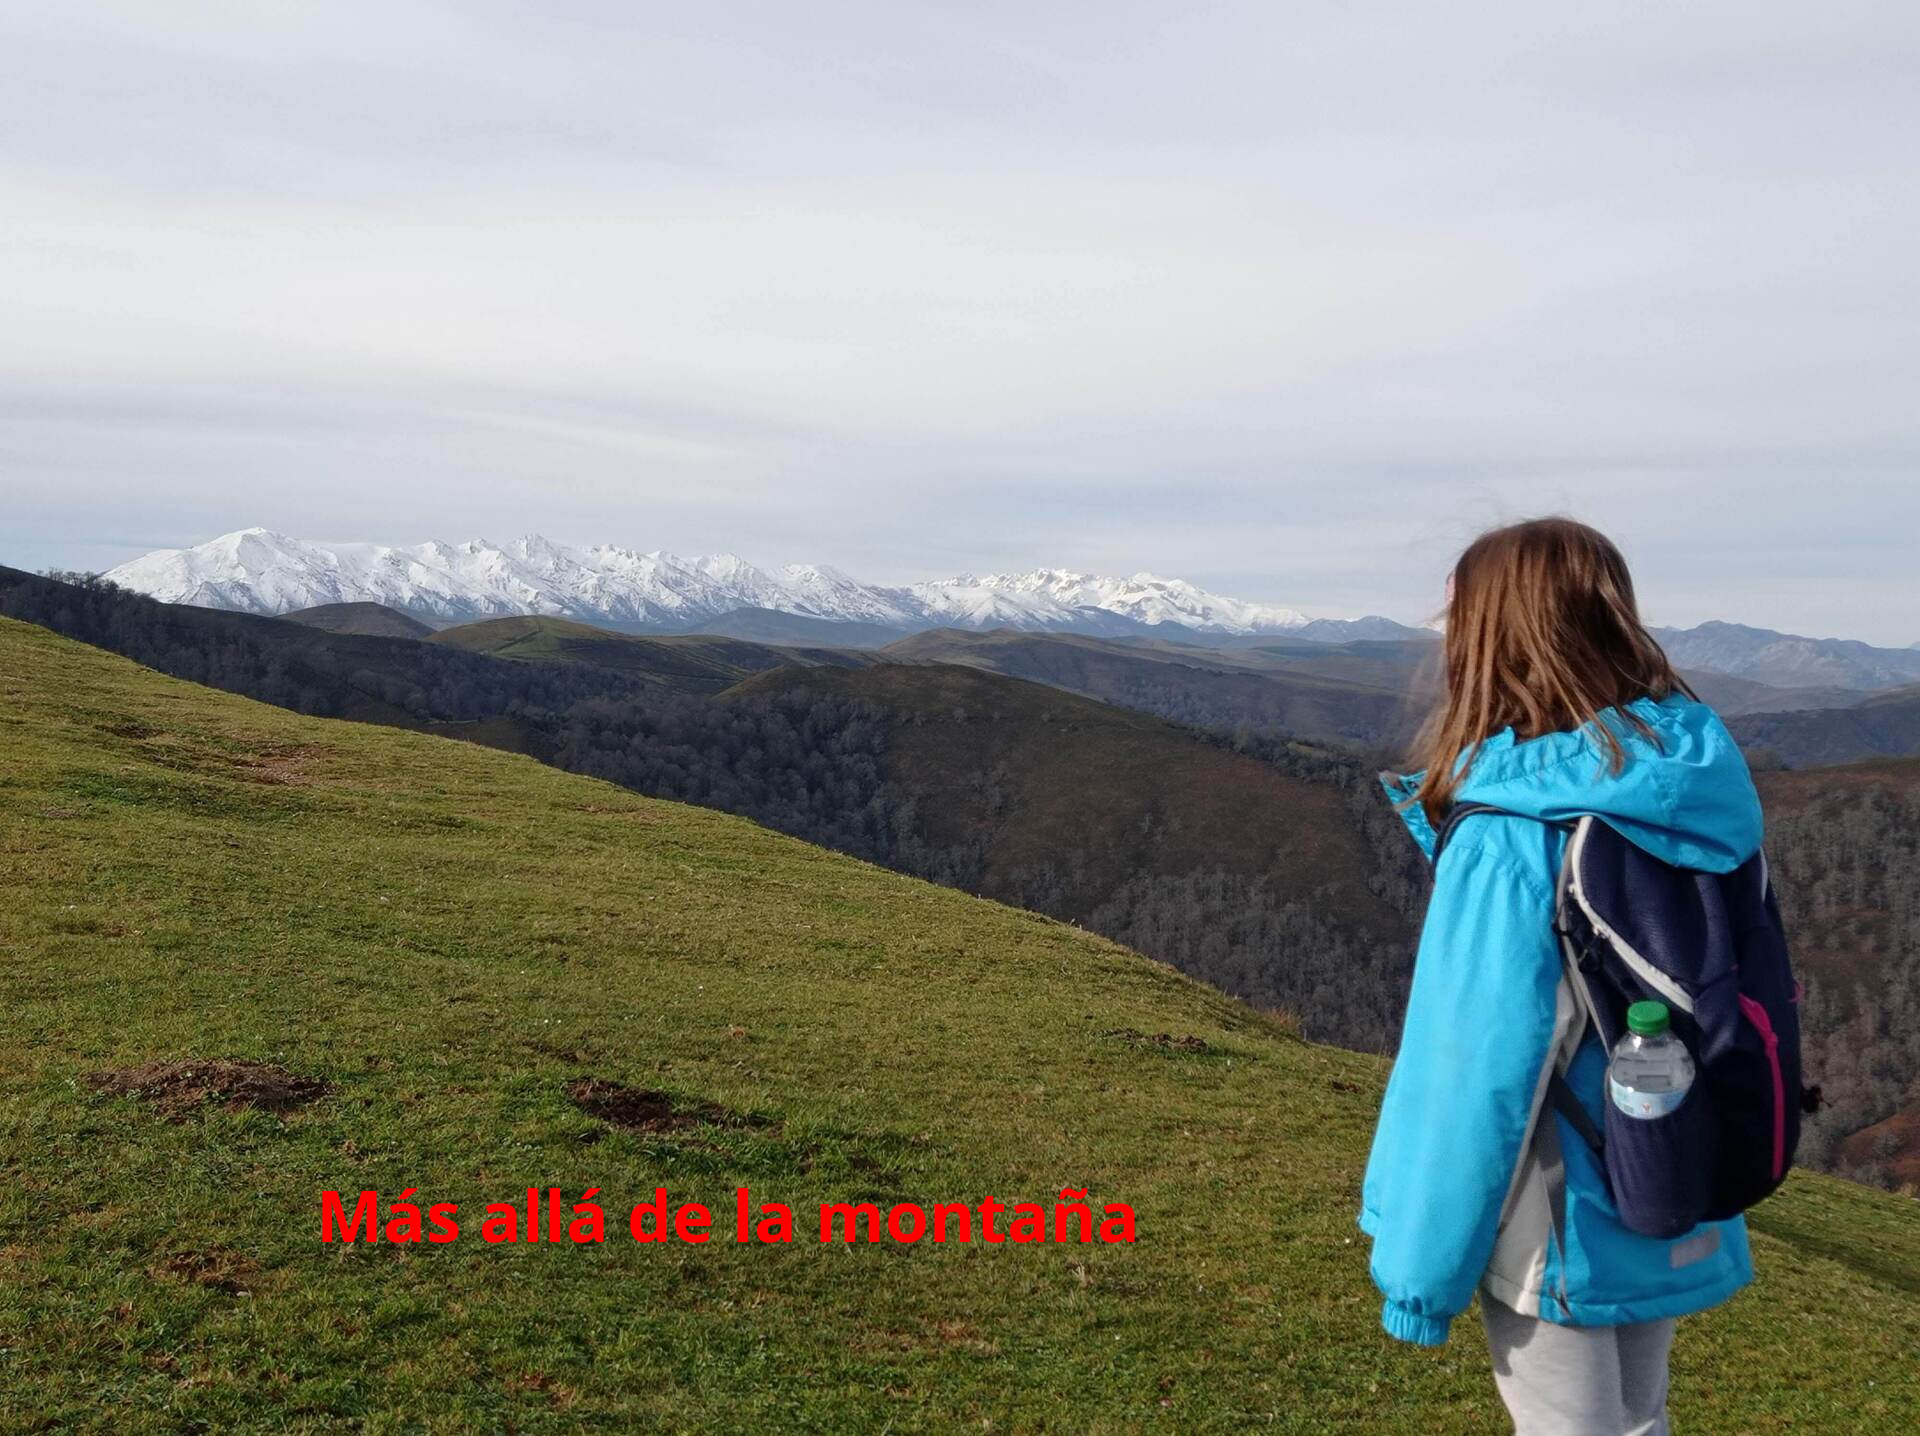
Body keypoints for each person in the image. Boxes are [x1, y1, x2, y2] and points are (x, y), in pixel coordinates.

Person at [1362, 517, 1762, 1436]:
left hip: (1561, 1211)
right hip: (1668, 1169)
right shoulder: (1691, 793)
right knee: (1636, 1417)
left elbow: (1474, 1072)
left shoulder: (1513, 833)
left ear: (1491, 637)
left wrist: (1421, 1272)